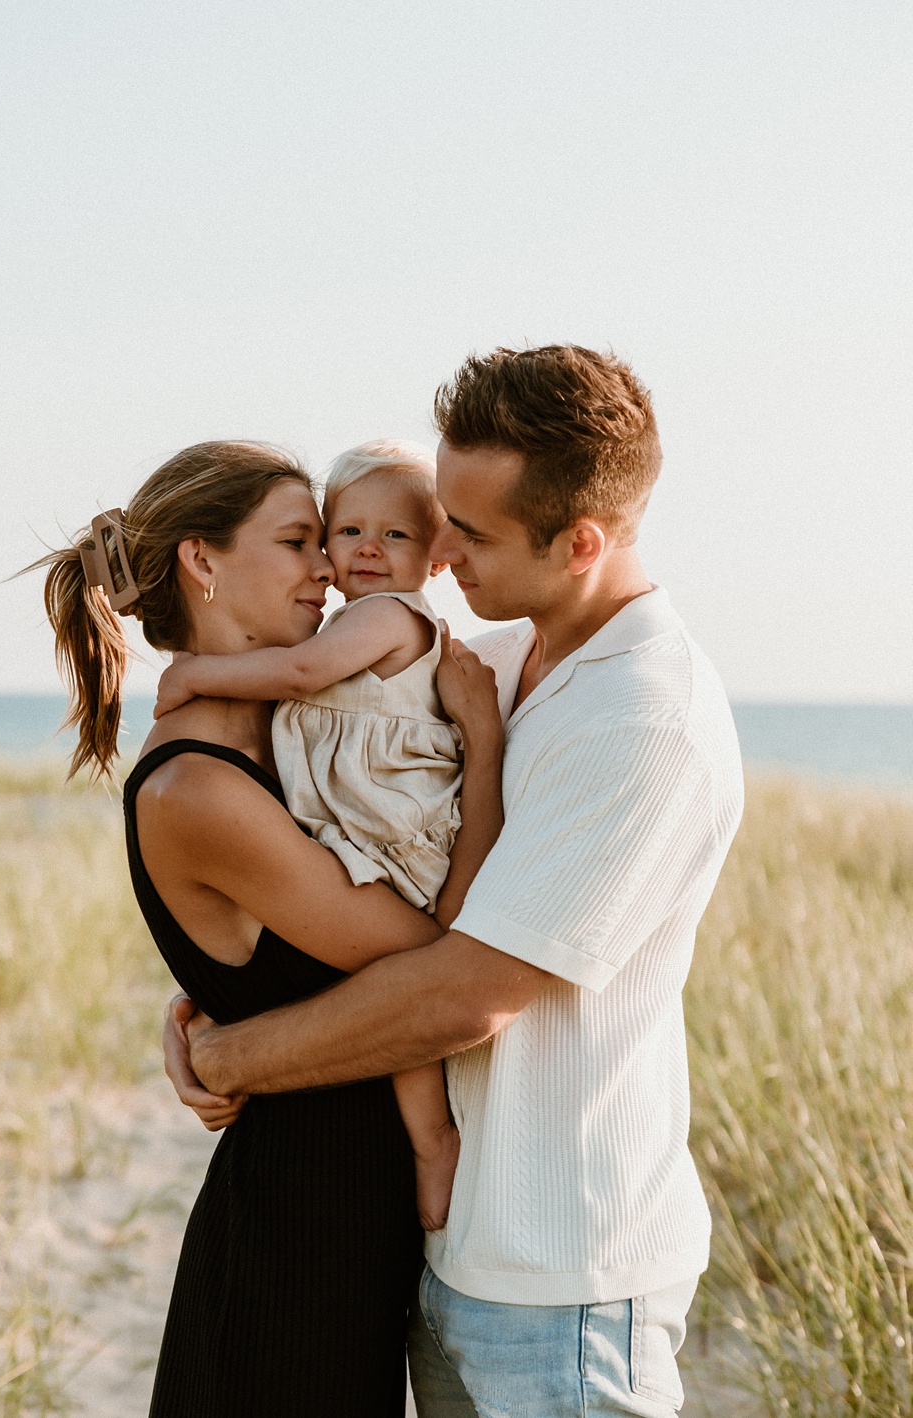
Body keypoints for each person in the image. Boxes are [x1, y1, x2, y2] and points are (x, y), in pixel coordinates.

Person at [165, 348, 746, 1418]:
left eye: (467, 535)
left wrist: (232, 1052)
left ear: (580, 543)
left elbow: (465, 991)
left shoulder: (642, 719)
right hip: (454, 1250)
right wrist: (221, 986)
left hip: (565, 1288)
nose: (440, 553)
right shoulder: (497, 660)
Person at [31, 440, 505, 1418]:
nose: (328, 566)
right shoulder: (199, 781)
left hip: (356, 1221)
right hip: (294, 1237)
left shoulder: (298, 732)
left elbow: (278, 952)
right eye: (298, 540)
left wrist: (210, 1021)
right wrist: (485, 741)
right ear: (202, 562)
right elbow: (439, 956)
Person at [153, 440, 486, 1231]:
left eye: (395, 536)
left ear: (434, 554)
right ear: (201, 561)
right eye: (324, 538)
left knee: (421, 972)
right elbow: (403, 958)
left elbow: (301, 679)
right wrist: (206, 1007)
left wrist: (196, 672)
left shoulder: (355, 645)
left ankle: (431, 1139)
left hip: (394, 839)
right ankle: (431, 1140)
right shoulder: (204, 772)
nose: (347, 559)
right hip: (297, 1202)